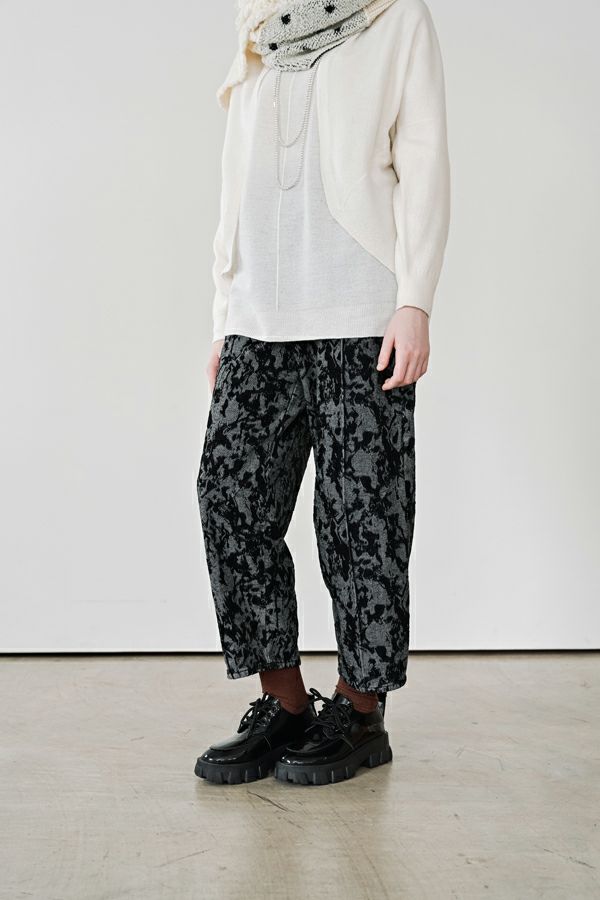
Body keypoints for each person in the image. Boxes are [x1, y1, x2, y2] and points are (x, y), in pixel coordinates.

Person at [195, 0, 450, 786]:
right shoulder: (258, 22)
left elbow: (424, 158)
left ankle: (361, 711)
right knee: (230, 501)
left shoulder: (396, 17)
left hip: (361, 311)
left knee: (362, 520)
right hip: (259, 315)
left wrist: (415, 300)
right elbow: (237, 178)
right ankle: (285, 704)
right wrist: (226, 312)